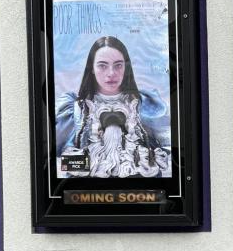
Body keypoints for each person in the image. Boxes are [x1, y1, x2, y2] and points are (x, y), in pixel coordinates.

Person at [55, 35, 171, 178]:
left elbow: (168, 154)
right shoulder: (75, 109)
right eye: (102, 65)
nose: (111, 73)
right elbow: (61, 159)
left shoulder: (146, 105)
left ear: (126, 68)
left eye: (118, 65)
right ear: (91, 68)